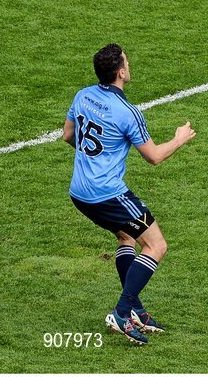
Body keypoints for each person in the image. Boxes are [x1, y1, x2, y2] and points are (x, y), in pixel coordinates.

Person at [64, 44, 196, 345]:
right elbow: (153, 157)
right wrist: (179, 139)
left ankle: (135, 309)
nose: (129, 64)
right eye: (127, 61)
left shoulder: (83, 95)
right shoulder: (128, 112)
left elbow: (68, 135)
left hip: (80, 193)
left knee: (126, 237)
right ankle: (122, 312)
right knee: (156, 245)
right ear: (121, 72)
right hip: (107, 194)